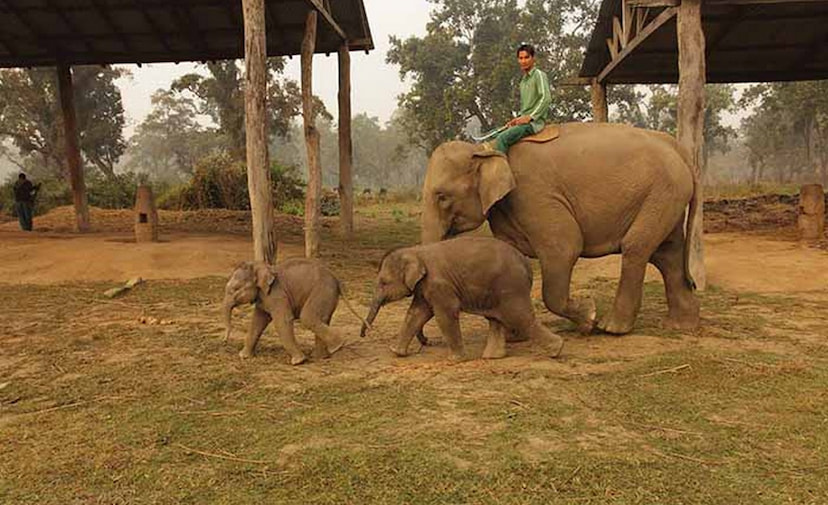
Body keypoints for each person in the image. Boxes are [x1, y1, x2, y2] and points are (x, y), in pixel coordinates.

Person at [494, 43, 552, 154]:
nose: (523, 61)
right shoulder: (523, 82)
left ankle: (501, 170)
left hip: (533, 123)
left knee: (502, 139)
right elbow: (526, 108)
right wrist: (517, 120)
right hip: (524, 122)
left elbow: (546, 98)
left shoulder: (538, 75)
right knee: (497, 134)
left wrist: (530, 117)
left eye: (526, 57)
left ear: (533, 58)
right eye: (521, 58)